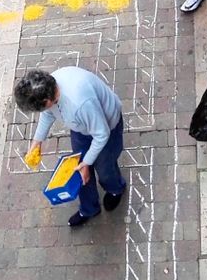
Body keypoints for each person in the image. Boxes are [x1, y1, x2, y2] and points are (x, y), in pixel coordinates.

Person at [15, 65, 126, 228]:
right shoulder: (49, 88)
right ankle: (89, 209)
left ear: (47, 101)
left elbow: (102, 134)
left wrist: (87, 162)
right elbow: (48, 113)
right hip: (81, 127)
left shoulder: (80, 103)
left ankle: (115, 189)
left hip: (106, 128)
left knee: (105, 169)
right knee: (78, 171)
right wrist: (37, 141)